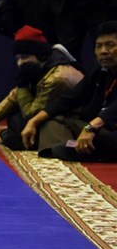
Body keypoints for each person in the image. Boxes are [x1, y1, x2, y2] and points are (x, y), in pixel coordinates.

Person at [19, 21, 117, 161]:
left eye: (110, 45)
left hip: (107, 130)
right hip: (94, 126)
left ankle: (74, 149)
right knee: (53, 119)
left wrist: (90, 128)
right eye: (98, 46)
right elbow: (71, 98)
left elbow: (113, 110)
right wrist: (33, 122)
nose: (103, 51)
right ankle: (63, 148)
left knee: (103, 137)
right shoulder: (98, 68)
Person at [0, 26, 82, 149]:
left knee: (16, 136)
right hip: (50, 116)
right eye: (18, 58)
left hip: (69, 122)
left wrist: (23, 85)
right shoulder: (42, 67)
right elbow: (14, 96)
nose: (20, 63)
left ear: (40, 55)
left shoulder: (56, 79)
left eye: (25, 56)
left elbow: (31, 116)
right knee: (15, 119)